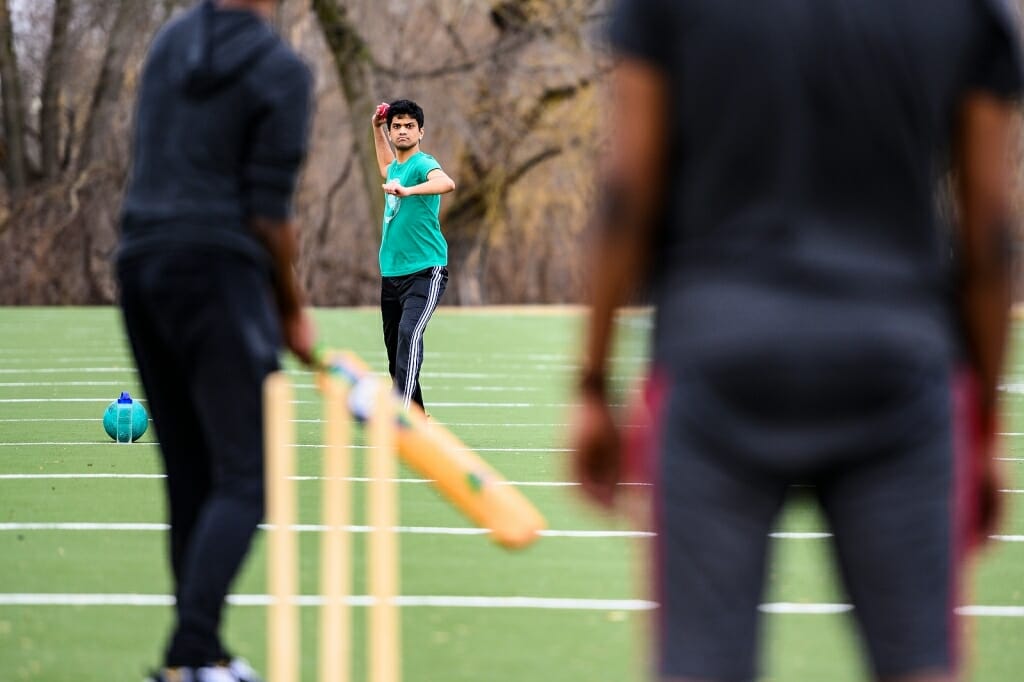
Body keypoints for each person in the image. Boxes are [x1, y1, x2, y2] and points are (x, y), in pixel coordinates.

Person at [570, 1, 1022, 681]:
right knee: (922, 666)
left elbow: (629, 188)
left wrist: (593, 383)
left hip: (717, 355)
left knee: (699, 666)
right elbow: (989, 230)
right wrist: (982, 420)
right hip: (895, 360)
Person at [115, 1, 315, 680]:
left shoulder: (170, 42)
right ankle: (184, 657)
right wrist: (290, 309)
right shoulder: (281, 70)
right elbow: (270, 217)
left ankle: (201, 655)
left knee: (194, 477)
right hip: (216, 269)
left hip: (139, 266)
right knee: (247, 479)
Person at [371, 99, 456, 412]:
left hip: (425, 272)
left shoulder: (422, 165)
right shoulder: (395, 167)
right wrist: (376, 127)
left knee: (410, 334)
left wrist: (408, 191)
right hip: (391, 274)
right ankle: (418, 421)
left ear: (421, 131)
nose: (402, 131)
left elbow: (446, 183)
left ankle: (400, 416)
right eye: (397, 126)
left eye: (409, 126)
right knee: (395, 353)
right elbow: (384, 165)